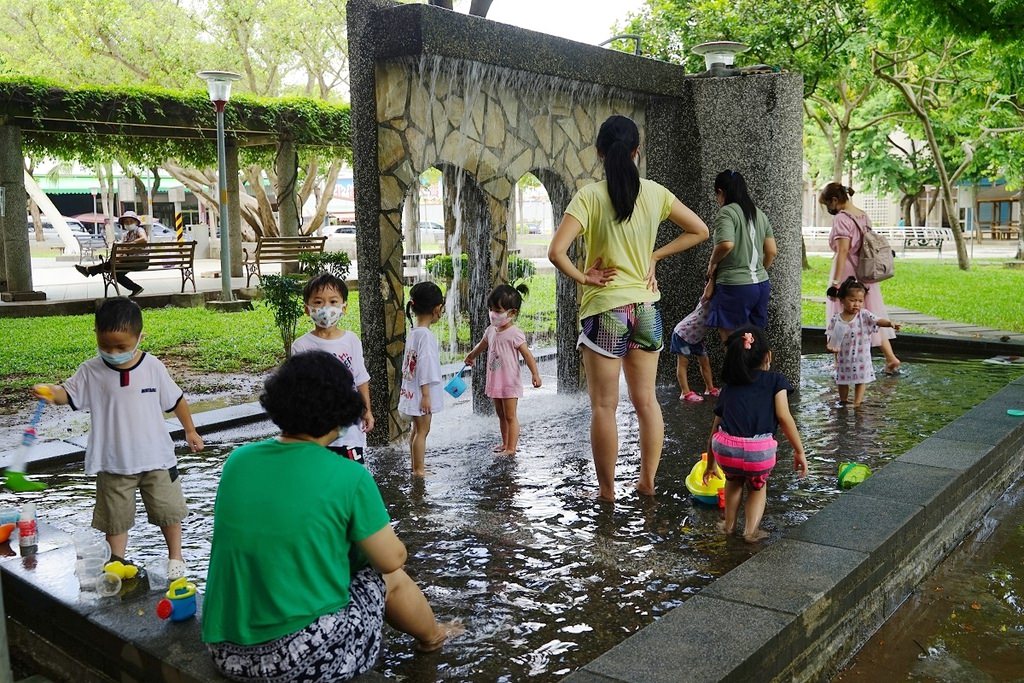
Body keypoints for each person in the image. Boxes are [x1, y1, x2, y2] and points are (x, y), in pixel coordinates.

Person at [202, 351, 460, 681]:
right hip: (300, 661)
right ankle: (433, 636)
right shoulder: (349, 476)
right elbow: (392, 558)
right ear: (342, 410)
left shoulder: (238, 462)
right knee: (386, 577)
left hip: (226, 653)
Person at [548, 114, 710, 501]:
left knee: (604, 407)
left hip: (606, 311)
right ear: (637, 151)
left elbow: (556, 252)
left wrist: (585, 278)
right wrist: (653, 256)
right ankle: (647, 483)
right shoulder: (656, 194)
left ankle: (607, 494)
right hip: (646, 310)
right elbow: (700, 230)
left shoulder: (589, 196)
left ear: (601, 153)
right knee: (647, 402)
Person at [33, 297, 203, 578]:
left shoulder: (153, 367)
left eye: (121, 347)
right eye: (105, 345)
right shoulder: (91, 371)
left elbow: (177, 400)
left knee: (168, 511)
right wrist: (51, 392)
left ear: (139, 338)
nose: (113, 352)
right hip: (113, 461)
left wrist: (190, 430)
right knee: (115, 519)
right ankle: (117, 562)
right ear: (96, 335)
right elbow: (68, 393)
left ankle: (176, 557)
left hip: (156, 457)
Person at [703, 326, 807, 542]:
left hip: (725, 449)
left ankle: (728, 526)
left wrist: (710, 463)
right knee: (757, 487)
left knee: (732, 481)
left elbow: (716, 427)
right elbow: (784, 416)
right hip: (758, 453)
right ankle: (751, 532)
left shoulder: (729, 387)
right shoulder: (776, 381)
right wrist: (799, 451)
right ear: (768, 356)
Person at [290, 272, 374, 464]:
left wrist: (366, 410)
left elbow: (360, 377)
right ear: (307, 308)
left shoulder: (351, 340)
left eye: (333, 301)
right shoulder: (301, 346)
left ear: (344, 307)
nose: (326, 308)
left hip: (350, 431)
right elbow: (298, 390)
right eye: (318, 302)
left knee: (351, 476)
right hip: (317, 432)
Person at [819, 182, 901, 375]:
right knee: (871, 314)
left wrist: (836, 283)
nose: (828, 209)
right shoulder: (863, 215)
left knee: (840, 314)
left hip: (847, 270)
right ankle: (890, 358)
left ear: (834, 200)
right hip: (865, 271)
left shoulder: (841, 218)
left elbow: (843, 250)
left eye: (827, 205)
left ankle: (839, 362)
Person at [464, 284, 543, 455]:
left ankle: (511, 448)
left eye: (498, 311)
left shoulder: (515, 333)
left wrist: (535, 374)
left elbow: (527, 355)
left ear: (512, 313)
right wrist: (472, 355)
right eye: (491, 309)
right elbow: (482, 345)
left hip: (509, 382)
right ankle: (505, 443)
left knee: (510, 416)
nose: (493, 314)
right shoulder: (491, 330)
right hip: (495, 380)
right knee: (500, 415)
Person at [705, 170, 777, 342]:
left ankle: (737, 370)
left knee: (733, 343)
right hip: (761, 286)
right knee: (753, 342)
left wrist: (712, 263)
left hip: (734, 287)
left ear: (721, 192)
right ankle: (754, 369)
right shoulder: (759, 214)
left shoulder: (727, 212)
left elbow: (726, 244)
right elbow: (772, 251)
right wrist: (758, 270)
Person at [826, 277, 902, 407]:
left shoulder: (864, 315)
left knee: (860, 381)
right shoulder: (837, 320)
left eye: (860, 301)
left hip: (861, 358)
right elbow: (832, 339)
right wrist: (831, 347)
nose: (857, 304)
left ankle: (857, 402)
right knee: (842, 380)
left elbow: (877, 320)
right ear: (842, 300)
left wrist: (890, 323)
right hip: (845, 358)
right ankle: (843, 400)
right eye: (852, 300)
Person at [399, 281, 445, 476]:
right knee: (423, 431)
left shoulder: (414, 332)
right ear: (437, 309)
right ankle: (419, 470)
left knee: (416, 430)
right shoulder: (425, 336)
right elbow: (425, 365)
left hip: (411, 389)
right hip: (421, 392)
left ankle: (415, 465)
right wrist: (426, 394)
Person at [74, 210, 149, 297]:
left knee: (111, 264)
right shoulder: (126, 235)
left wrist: (130, 244)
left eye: (131, 221)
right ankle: (136, 288)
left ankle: (89, 270)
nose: (129, 223)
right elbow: (122, 250)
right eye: (127, 222)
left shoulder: (139, 230)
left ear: (136, 222)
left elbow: (144, 239)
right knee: (115, 273)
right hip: (130, 261)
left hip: (139, 262)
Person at [672, 278, 719, 402]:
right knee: (683, 362)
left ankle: (710, 388)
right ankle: (685, 393)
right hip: (684, 335)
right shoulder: (705, 299)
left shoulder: (719, 301)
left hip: (697, 339)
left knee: (705, 362)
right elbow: (708, 292)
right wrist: (713, 277)